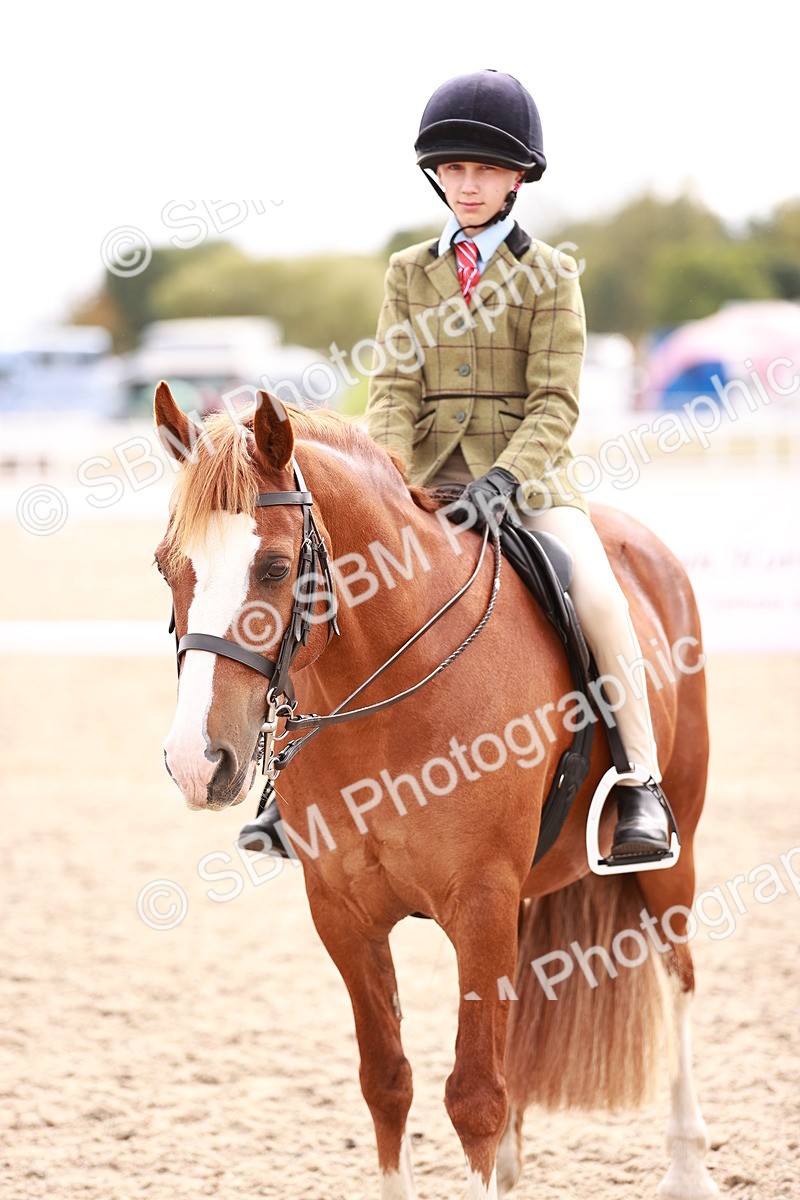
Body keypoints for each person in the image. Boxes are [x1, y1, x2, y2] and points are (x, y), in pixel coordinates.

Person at [244, 69, 672, 865]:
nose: (468, 185)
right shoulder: (409, 271)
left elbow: (556, 401)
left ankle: (640, 783)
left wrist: (504, 480)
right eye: (454, 169)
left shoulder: (552, 274)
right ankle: (289, 780)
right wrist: (388, 481)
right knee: (325, 588)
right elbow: (395, 392)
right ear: (436, 175)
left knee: (599, 596)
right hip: (422, 480)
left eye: (485, 170)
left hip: (528, 483)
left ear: (518, 179)